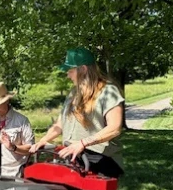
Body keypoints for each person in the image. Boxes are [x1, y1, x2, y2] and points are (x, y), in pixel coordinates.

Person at [33, 47, 126, 178]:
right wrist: (44, 140)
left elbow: (114, 128)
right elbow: (60, 124)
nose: (68, 75)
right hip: (74, 156)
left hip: (101, 160)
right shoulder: (73, 94)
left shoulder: (108, 91)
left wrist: (83, 143)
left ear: (83, 69)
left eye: (70, 70)